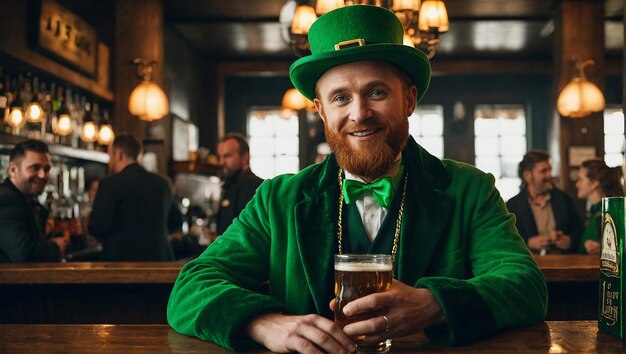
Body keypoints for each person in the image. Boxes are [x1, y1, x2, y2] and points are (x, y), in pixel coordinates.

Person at [167, 5, 547, 353]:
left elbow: (525, 286)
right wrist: (263, 323)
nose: (359, 113)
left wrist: (434, 304)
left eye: (377, 92)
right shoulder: (276, 198)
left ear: (409, 100)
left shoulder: (469, 189)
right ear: (320, 110)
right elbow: (191, 286)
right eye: (340, 98)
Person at [88, 133, 177, 261]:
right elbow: (176, 222)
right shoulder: (163, 183)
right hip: (160, 263)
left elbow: (97, 227)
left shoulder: (110, 183)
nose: (109, 160)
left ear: (119, 155)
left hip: (122, 266)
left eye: (110, 155)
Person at [0, 139, 67, 262]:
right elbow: (24, 253)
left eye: (46, 169)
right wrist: (56, 246)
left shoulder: (23, 199)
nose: (43, 175)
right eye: (35, 168)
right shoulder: (5, 200)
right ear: (13, 170)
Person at [507, 150, 584, 254]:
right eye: (543, 171)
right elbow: (506, 239)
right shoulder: (512, 206)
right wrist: (528, 243)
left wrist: (570, 240)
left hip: (563, 264)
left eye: (550, 170)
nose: (550, 175)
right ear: (527, 176)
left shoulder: (565, 199)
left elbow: (580, 229)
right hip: (530, 265)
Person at [215, 133, 263, 235]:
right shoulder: (232, 185)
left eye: (227, 156)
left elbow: (249, 233)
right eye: (220, 157)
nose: (221, 162)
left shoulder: (254, 186)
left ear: (244, 157)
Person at [575, 158, 624, 254]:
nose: (577, 184)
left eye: (580, 179)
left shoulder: (606, 214)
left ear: (594, 183)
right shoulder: (597, 211)